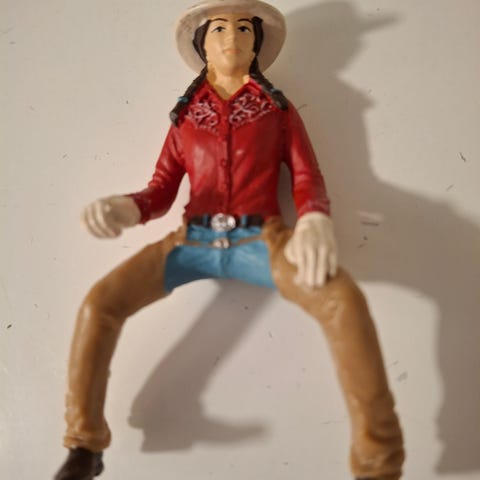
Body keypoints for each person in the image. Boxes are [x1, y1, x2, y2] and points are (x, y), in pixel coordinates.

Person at [54, 1, 404, 479]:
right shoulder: (185, 117)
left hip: (262, 239)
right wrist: (124, 208)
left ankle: (378, 463)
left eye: (243, 29)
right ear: (203, 46)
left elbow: (307, 177)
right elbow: (160, 190)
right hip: (193, 241)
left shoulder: (277, 111)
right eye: (219, 28)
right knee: (100, 303)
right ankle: (83, 445)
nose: (232, 38)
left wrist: (314, 220)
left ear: (257, 44)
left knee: (342, 299)